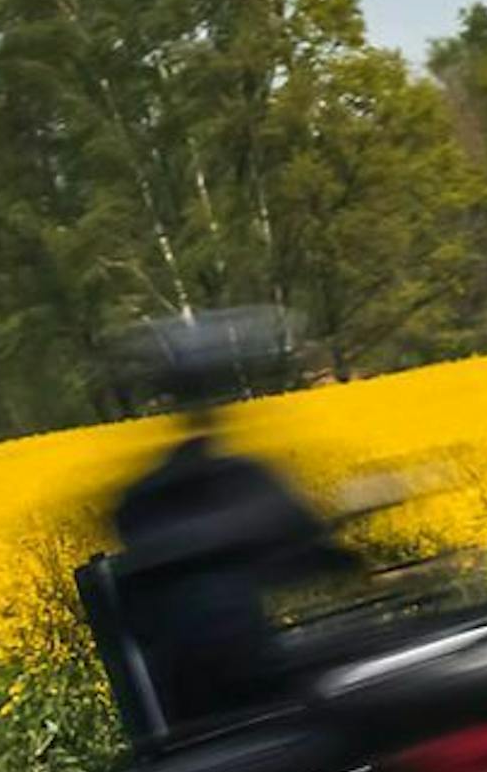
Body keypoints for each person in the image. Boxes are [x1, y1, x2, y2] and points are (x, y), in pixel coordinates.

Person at [103, 308, 360, 732]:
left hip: (187, 698)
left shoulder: (138, 498)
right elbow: (308, 554)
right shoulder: (243, 479)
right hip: (254, 683)